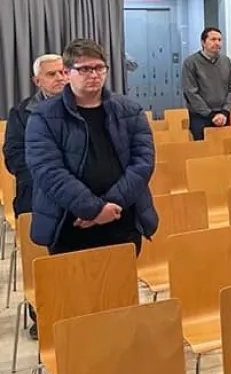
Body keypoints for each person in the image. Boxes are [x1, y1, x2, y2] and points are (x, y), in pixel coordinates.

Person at [25, 39, 158, 255]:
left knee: (120, 286)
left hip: (121, 216)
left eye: (99, 68)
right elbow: (47, 170)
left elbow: (143, 162)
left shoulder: (129, 110)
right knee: (73, 287)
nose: (94, 74)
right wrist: (93, 209)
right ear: (67, 73)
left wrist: (110, 205)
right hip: (70, 221)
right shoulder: (44, 115)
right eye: (85, 69)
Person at [5, 53, 69, 216]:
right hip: (38, 188)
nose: (60, 78)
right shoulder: (20, 114)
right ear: (37, 81)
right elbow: (14, 157)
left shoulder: (88, 106)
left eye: (63, 72)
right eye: (51, 74)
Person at [180, 26, 231, 140]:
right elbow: (191, 92)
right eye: (213, 39)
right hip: (201, 117)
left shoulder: (226, 61)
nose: (217, 43)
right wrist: (210, 114)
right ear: (203, 42)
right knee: (202, 153)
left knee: (224, 152)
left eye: (220, 40)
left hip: (223, 115)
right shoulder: (191, 63)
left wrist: (225, 112)